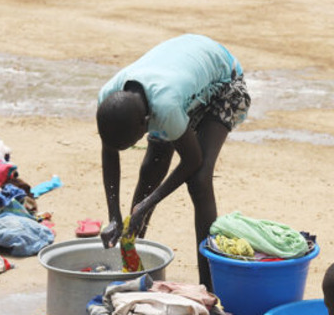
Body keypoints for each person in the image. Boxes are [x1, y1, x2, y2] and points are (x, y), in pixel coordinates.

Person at [96, 34, 250, 289]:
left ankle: (208, 286)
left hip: (223, 81)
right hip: (181, 75)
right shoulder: (109, 99)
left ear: (146, 123)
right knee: (152, 166)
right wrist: (114, 214)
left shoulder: (165, 107)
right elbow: (109, 151)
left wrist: (148, 203)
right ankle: (131, 259)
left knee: (199, 181)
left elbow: (192, 160)